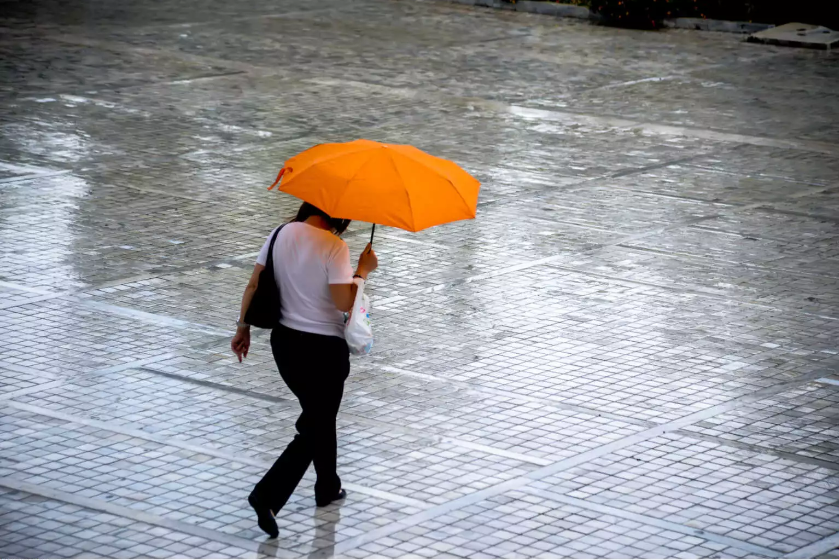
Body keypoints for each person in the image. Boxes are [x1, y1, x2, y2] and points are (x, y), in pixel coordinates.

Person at [231, 202, 378, 539]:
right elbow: (343, 302)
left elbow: (253, 285)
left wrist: (242, 328)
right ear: (340, 214)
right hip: (324, 351)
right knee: (315, 424)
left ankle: (327, 487)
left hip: (285, 346)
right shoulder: (334, 246)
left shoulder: (279, 234)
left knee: (318, 419)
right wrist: (363, 271)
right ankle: (266, 496)